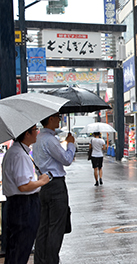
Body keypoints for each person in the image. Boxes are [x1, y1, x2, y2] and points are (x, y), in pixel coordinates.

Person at [2, 125, 50, 264]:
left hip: (19, 204)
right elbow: (23, 186)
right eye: (35, 130)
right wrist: (41, 182)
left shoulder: (17, 151)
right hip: (23, 205)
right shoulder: (19, 155)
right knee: (21, 247)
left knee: (17, 247)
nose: (37, 132)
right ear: (27, 134)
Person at [32, 113, 76, 264]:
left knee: (44, 226)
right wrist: (70, 144)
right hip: (56, 185)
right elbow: (67, 160)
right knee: (56, 227)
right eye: (57, 117)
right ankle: (51, 260)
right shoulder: (50, 140)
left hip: (44, 185)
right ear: (50, 119)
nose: (59, 119)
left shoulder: (37, 139)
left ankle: (40, 259)